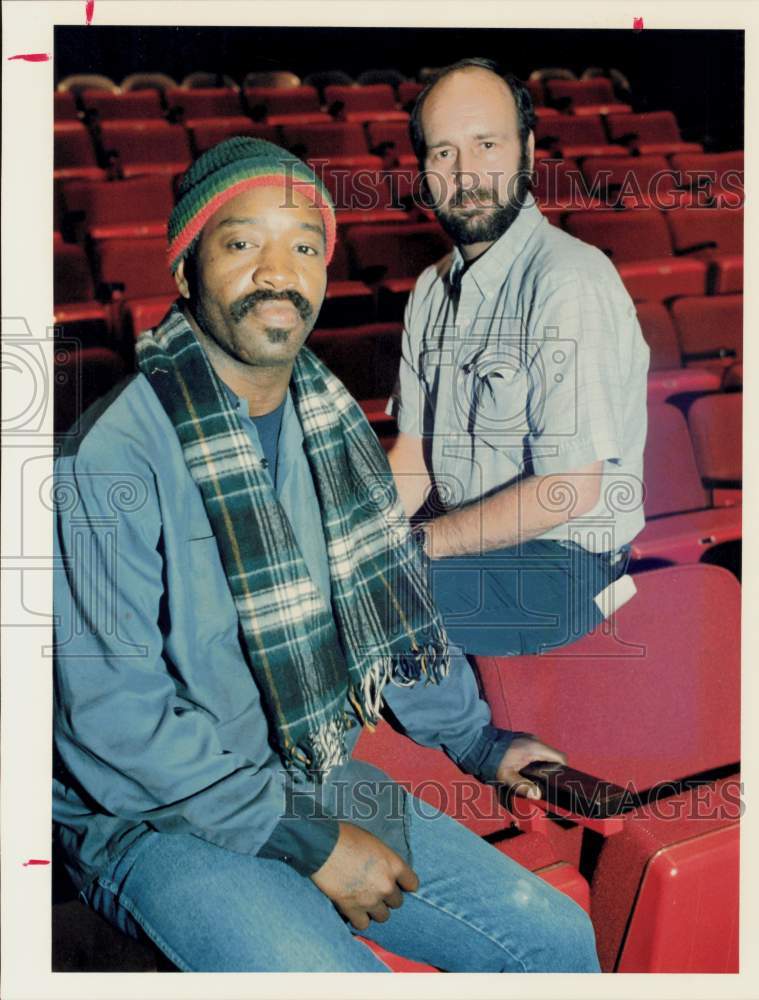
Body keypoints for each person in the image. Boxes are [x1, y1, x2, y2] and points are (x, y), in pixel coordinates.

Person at [52, 137, 600, 973]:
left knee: (554, 938)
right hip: (149, 813)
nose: (280, 271)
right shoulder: (104, 460)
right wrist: (307, 840)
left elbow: (392, 611)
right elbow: (114, 720)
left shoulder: (330, 427)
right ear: (185, 268)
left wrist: (485, 746)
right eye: (242, 244)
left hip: (301, 773)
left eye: (304, 246)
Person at [388, 58, 650, 656]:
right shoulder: (431, 290)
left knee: (369, 601)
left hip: (566, 566)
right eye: (444, 152)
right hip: (475, 546)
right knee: (326, 577)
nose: (467, 173)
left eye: (486, 144)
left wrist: (416, 545)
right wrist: (365, 536)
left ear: (528, 152)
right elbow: (414, 456)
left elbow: (567, 490)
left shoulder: (568, 281)